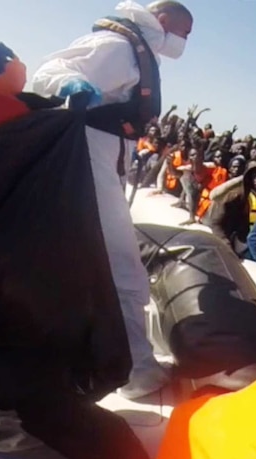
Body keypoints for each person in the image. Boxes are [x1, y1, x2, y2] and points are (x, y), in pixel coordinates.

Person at [31, 1, 193, 401]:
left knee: (99, 269)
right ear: (165, 21)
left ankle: (100, 357)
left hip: (103, 168)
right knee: (126, 274)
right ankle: (136, 374)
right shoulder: (119, 48)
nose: (183, 43)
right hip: (87, 167)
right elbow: (48, 73)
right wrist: (70, 84)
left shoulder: (138, 53)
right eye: (184, 34)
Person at [204, 161, 256, 257]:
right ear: (249, 177)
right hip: (238, 243)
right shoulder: (236, 195)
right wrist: (227, 246)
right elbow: (215, 222)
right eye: (255, 174)